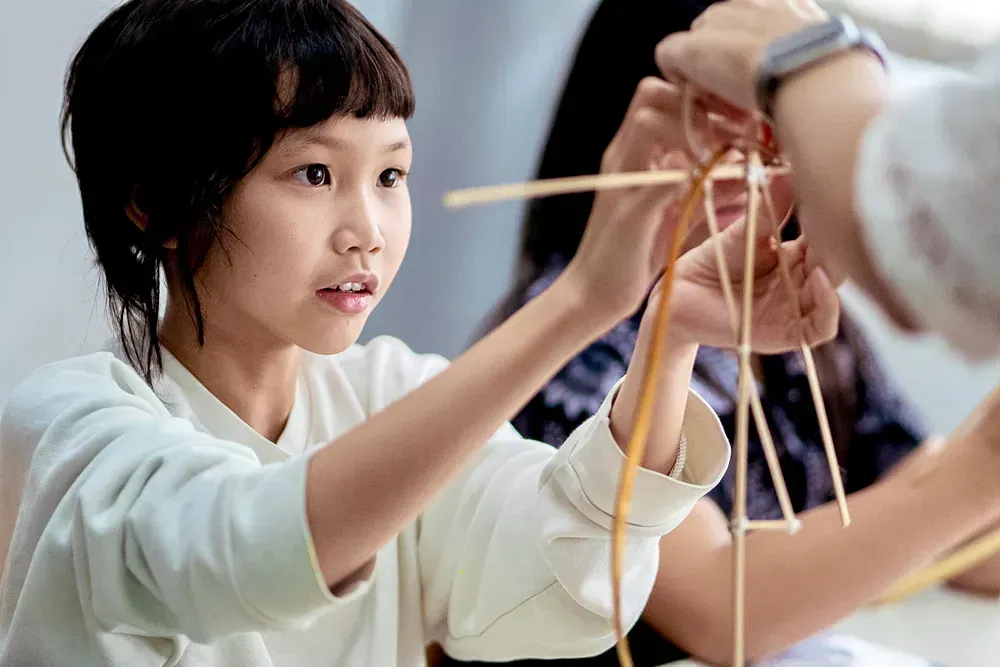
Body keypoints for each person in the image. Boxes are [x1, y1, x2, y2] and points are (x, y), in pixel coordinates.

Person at [0, 1, 844, 665]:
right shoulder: (68, 431)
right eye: (315, 172)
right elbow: (249, 545)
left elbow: (566, 579)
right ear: (157, 202)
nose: (367, 227)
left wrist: (668, 334)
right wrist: (585, 298)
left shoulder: (388, 392)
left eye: (391, 172)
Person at [444, 1, 1000, 666]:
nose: (749, 149)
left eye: (775, 114)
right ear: (622, 120)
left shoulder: (804, 322)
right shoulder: (569, 338)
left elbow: (927, 506)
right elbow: (717, 609)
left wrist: (968, 492)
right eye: (713, 110)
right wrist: (983, 466)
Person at [655, 0, 1000, 361]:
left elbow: (908, 218)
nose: (753, 156)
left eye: (773, 128)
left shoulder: (825, 342)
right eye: (713, 122)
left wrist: (809, 57)